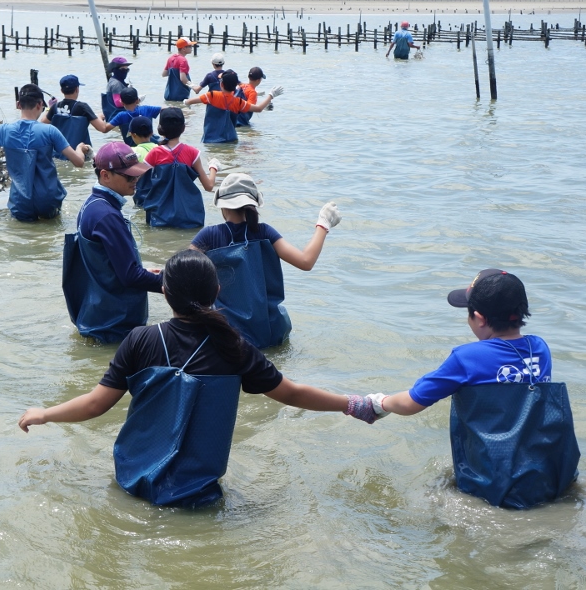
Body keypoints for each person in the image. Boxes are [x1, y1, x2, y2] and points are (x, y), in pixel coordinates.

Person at [21, 249, 385, 508]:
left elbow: (95, 404)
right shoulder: (234, 346)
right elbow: (292, 394)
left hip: (133, 480)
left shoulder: (142, 339)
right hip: (198, 492)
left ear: (165, 292)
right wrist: (354, 404)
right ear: (216, 292)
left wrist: (45, 413)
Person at [370, 269, 581, 510]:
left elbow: (410, 403)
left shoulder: (467, 358)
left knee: (431, 499)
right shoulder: (540, 348)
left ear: (479, 318)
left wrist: (380, 403)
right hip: (547, 476)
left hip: (494, 485)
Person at [189, 173, 340, 348]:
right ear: (253, 204)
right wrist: (323, 224)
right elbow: (306, 261)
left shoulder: (209, 235)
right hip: (269, 330)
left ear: (223, 206)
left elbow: (184, 273)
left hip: (226, 334)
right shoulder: (265, 232)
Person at [63, 142, 162, 343]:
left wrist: (142, 270)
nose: (136, 180)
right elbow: (130, 276)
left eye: (137, 174)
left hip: (98, 316)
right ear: (105, 175)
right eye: (129, 176)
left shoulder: (92, 205)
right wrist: (176, 283)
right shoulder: (107, 215)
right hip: (115, 326)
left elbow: (105, 263)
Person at [0, 83, 89, 222]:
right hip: (48, 200)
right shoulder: (50, 131)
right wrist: (79, 148)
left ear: (18, 105)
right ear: (39, 105)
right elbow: (78, 162)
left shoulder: (4, 130)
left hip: (20, 202)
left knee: (24, 236)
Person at [138, 107, 221, 228]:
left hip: (159, 216)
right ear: (183, 128)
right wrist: (213, 167)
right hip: (189, 217)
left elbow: (136, 180)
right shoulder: (193, 153)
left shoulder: (154, 153)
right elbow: (209, 186)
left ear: (160, 128)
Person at [183, 70, 282, 143]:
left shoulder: (211, 96)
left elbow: (188, 102)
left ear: (221, 84)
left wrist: (186, 102)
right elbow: (259, 109)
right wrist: (271, 95)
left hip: (211, 140)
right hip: (231, 140)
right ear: (235, 86)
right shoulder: (239, 102)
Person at [39, 75, 114, 155]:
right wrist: (100, 116)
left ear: (61, 90)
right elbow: (102, 128)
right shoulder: (82, 107)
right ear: (77, 89)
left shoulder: (55, 107)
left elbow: (42, 123)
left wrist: (49, 108)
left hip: (59, 153)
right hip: (79, 153)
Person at [162, 37, 198, 102]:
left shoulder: (171, 58)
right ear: (184, 48)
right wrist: (194, 87)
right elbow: (183, 79)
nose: (191, 48)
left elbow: (164, 74)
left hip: (168, 94)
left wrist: (174, 72)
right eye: (190, 46)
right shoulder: (183, 60)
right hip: (180, 95)